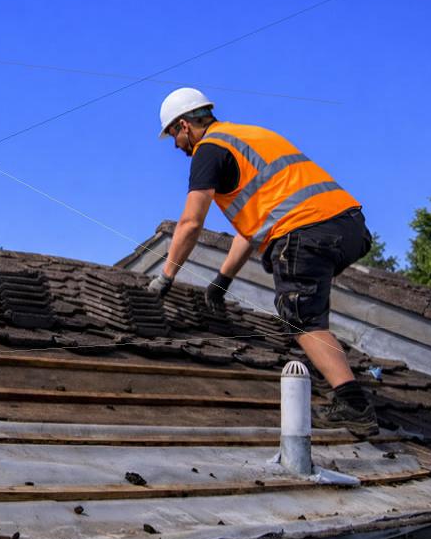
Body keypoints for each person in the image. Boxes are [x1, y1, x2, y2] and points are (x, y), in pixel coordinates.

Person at [147, 87, 377, 437]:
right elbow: (253, 228)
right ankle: (337, 367)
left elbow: (191, 222)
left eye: (174, 138)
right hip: (347, 226)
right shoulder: (249, 135)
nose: (178, 148)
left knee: (301, 316)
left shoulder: (209, 149)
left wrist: (166, 276)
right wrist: (223, 279)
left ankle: (353, 404)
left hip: (305, 230)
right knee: (309, 304)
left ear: (183, 126)